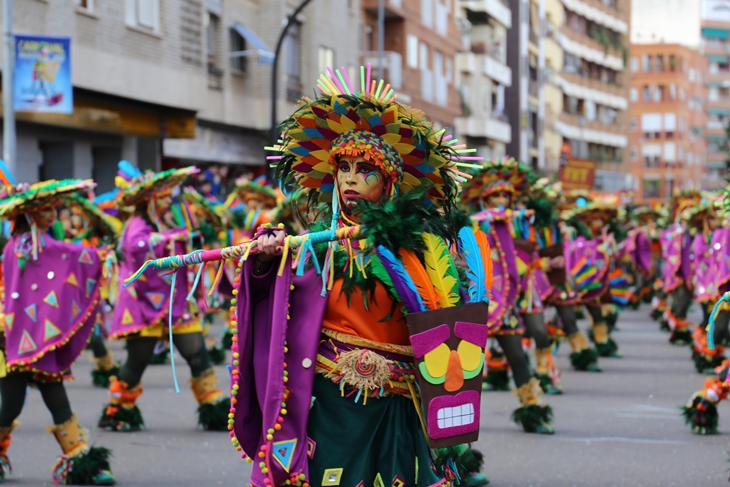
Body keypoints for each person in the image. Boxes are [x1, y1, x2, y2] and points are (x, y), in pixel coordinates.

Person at [227, 66, 489, 486]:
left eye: (364, 170)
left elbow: (447, 324)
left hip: (400, 401)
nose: (350, 178)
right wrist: (265, 258)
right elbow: (274, 296)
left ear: (388, 183)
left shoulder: (420, 247)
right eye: (343, 168)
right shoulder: (317, 244)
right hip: (334, 398)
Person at [98, 162, 230, 432]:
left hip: (176, 303)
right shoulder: (136, 225)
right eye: (162, 200)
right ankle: (119, 410)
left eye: (168, 199)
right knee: (137, 362)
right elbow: (136, 248)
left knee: (198, 356)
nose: (168, 204)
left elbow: (182, 243)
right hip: (143, 304)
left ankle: (214, 408)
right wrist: (173, 237)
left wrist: (191, 235)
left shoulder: (168, 221)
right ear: (150, 202)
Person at [0, 179, 115, 485]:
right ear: (29, 214)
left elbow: (57, 259)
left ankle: (78, 459)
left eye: (54, 210)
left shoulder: (33, 241)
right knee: (9, 404)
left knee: (56, 395)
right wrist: (96, 255)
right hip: (17, 338)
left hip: (37, 337)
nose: (52, 216)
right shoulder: (25, 243)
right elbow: (60, 255)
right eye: (45, 210)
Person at [461, 158, 557, 431]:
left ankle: (532, 412)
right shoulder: (472, 225)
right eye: (495, 195)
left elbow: (528, 258)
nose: (501, 199)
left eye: (505, 195)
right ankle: (457, 430)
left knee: (517, 356)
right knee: (466, 369)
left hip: (510, 300)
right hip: (477, 301)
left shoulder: (520, 224)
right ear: (484, 200)